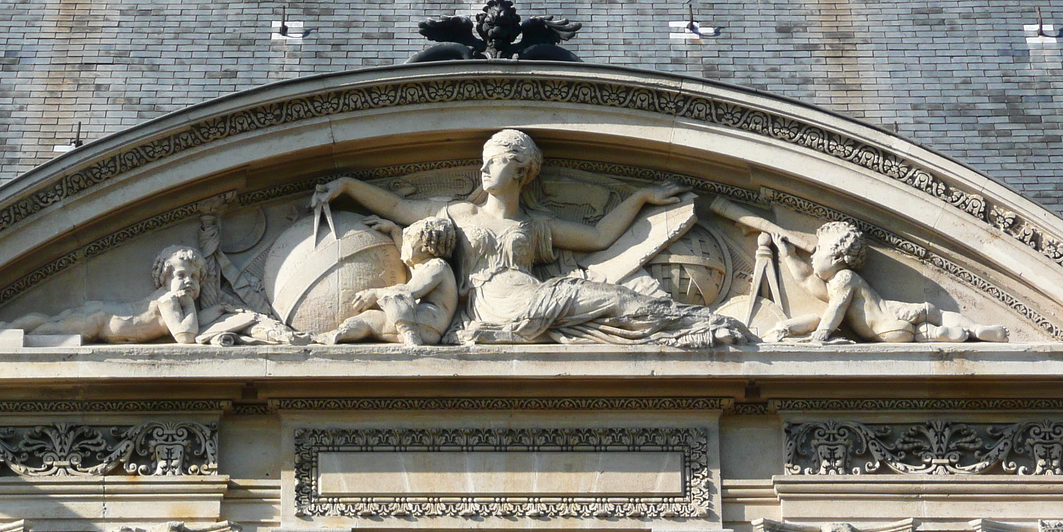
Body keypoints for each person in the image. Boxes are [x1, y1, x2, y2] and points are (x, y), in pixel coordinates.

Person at [312, 129, 745, 347]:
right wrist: (348, 184)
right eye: (483, 162)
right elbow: (402, 210)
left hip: (534, 294)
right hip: (493, 300)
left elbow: (597, 236)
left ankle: (693, 327)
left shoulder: (536, 227)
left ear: (521, 169)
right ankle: (694, 327)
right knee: (614, 302)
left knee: (618, 302)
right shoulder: (462, 214)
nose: (483, 170)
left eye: (494, 161)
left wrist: (640, 197)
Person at [768, 221, 1008, 344]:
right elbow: (806, 281)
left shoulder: (843, 278)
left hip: (882, 330)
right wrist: (788, 254)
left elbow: (836, 308)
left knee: (922, 326)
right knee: (934, 314)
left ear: (837, 255)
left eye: (818, 249)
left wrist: (823, 333)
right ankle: (965, 330)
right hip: (891, 320)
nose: (811, 254)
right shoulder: (836, 281)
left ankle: (946, 334)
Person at [0, 244, 208, 343]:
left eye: (194, 277)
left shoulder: (169, 299)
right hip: (108, 321)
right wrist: (189, 304)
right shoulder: (168, 300)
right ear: (165, 278)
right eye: (181, 275)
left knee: (54, 321)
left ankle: (9, 328)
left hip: (110, 313)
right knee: (53, 329)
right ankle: (12, 334)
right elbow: (185, 335)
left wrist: (223, 310)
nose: (189, 281)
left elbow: (200, 322)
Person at [314, 215, 459, 347]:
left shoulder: (438, 266)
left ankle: (410, 334)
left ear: (425, 247)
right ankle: (336, 335)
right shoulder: (421, 265)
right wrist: (394, 229)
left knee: (397, 295)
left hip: (429, 323)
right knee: (368, 319)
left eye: (409, 238)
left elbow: (409, 292)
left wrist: (375, 293)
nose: (405, 241)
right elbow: (406, 255)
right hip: (420, 320)